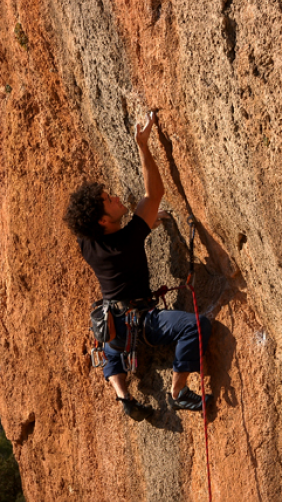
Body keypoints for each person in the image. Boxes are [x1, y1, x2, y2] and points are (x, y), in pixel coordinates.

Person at [62, 111, 211, 421]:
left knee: (111, 350)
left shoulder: (88, 243)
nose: (116, 197)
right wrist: (143, 145)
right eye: (109, 199)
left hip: (112, 324)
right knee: (196, 326)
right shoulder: (126, 240)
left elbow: (123, 229)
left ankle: (123, 395)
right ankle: (179, 392)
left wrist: (149, 224)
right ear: (103, 221)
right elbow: (154, 194)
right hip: (141, 323)